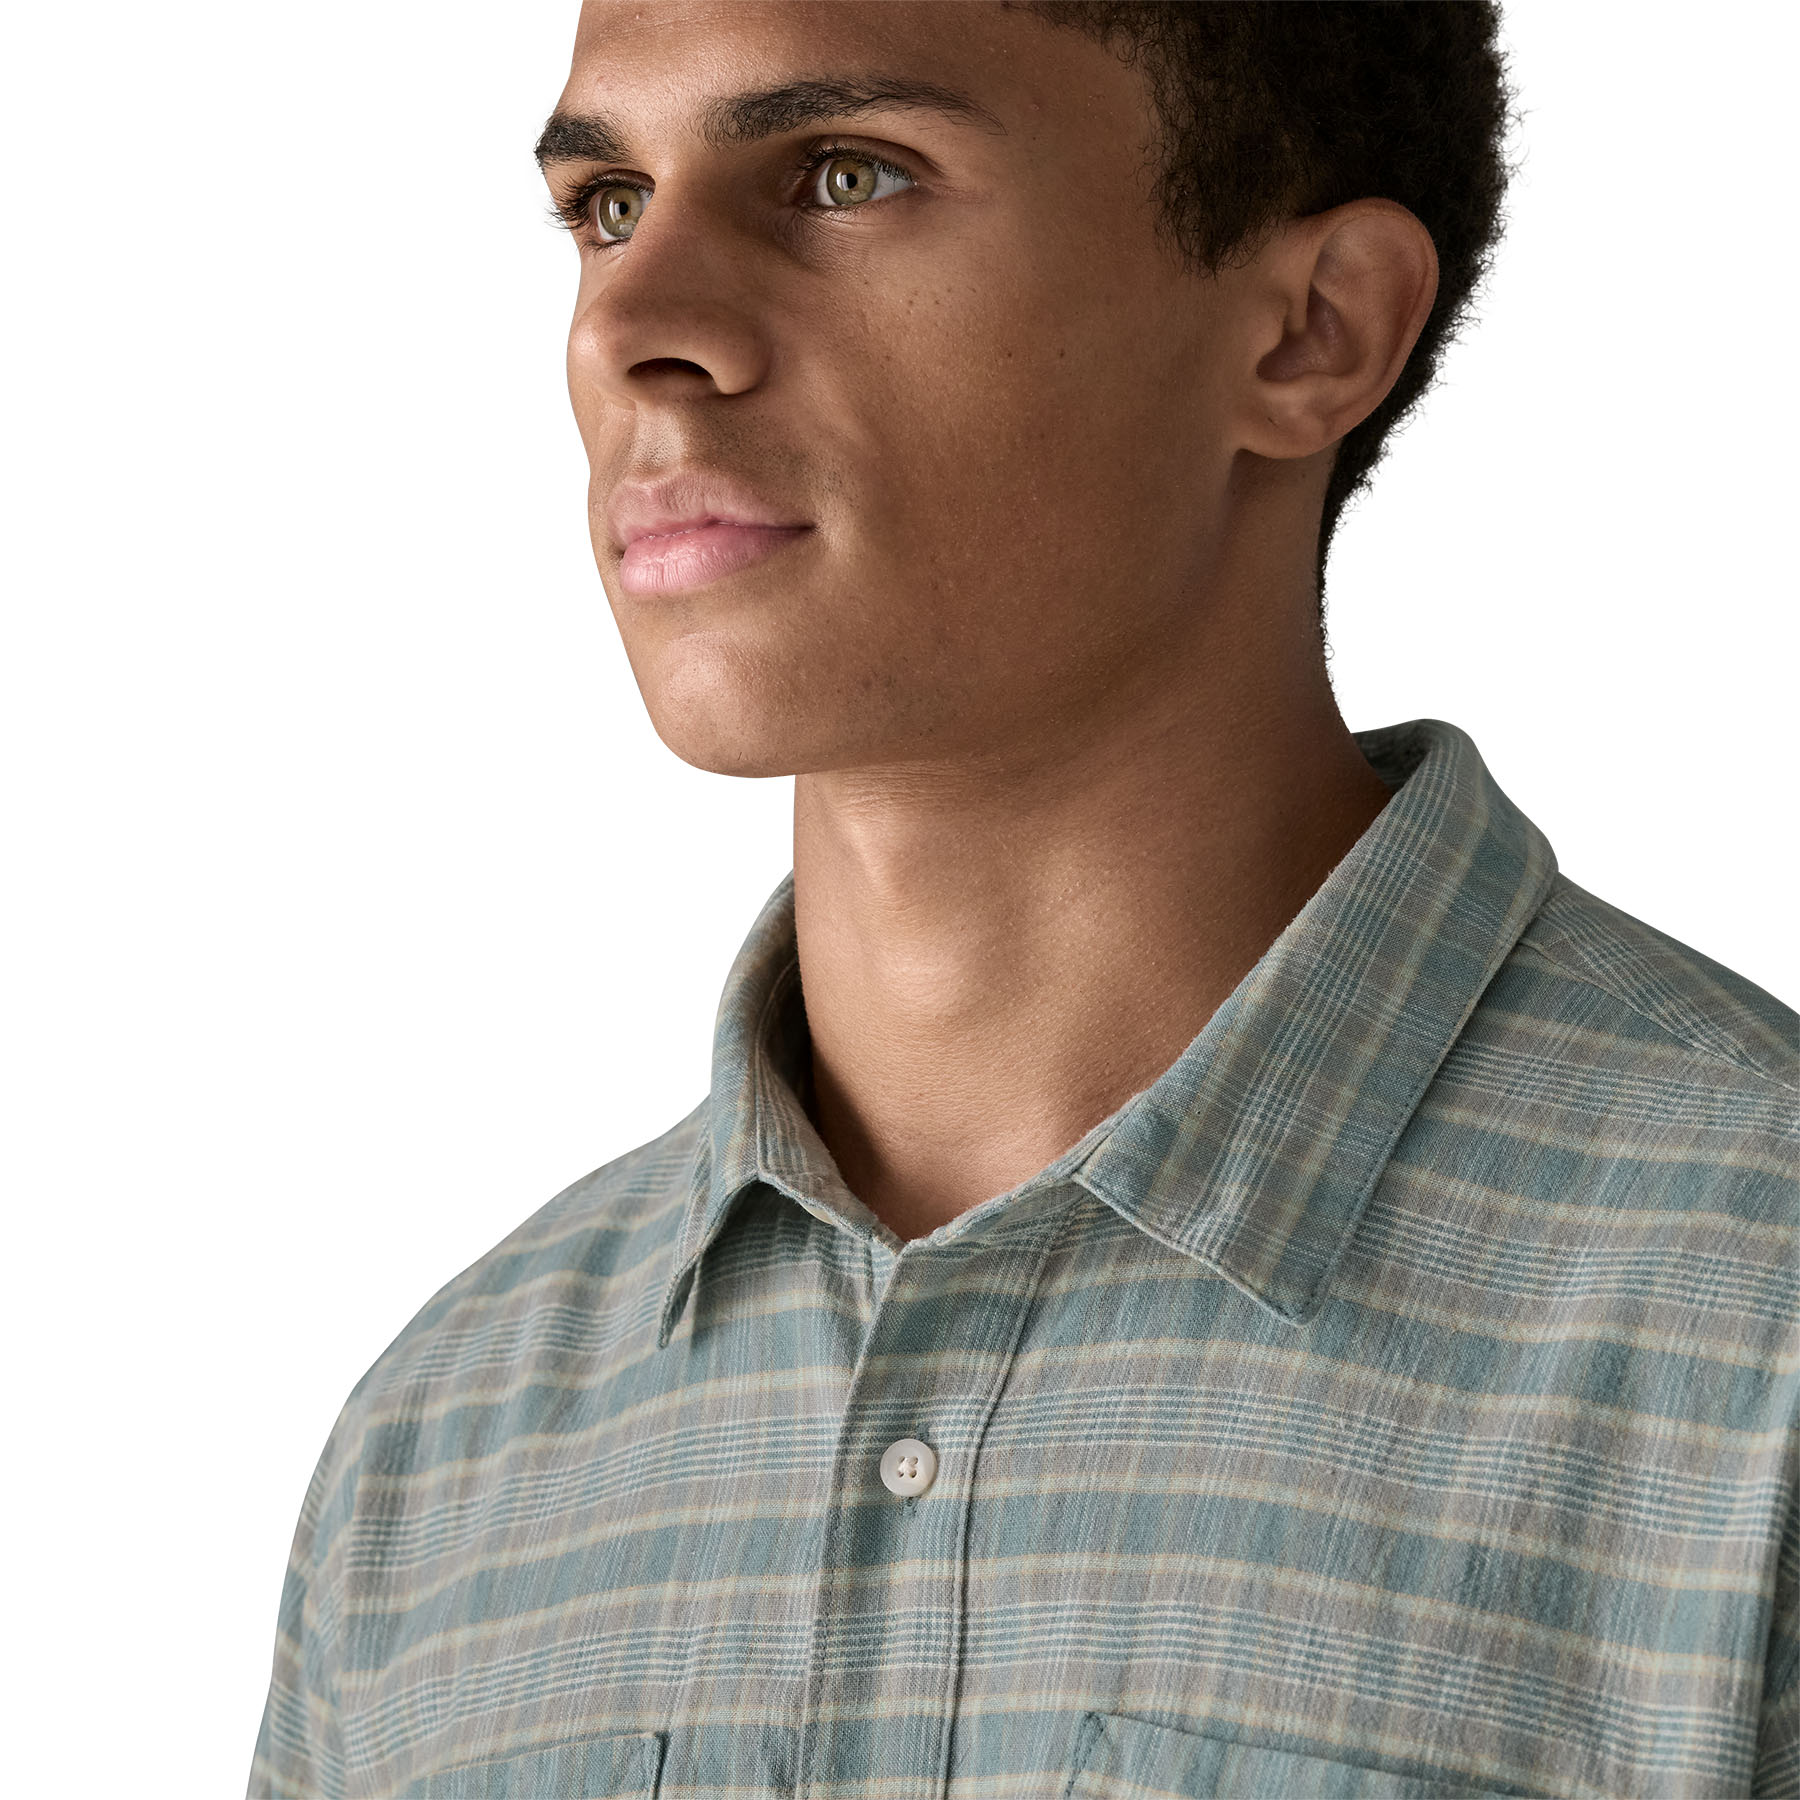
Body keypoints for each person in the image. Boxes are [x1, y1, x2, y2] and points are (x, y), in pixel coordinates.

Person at [248, 4, 1798, 1795]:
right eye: (607, 206)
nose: (630, 330)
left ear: (1311, 329)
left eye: (845, 176)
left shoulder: (1754, 1333)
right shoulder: (434, 1472)